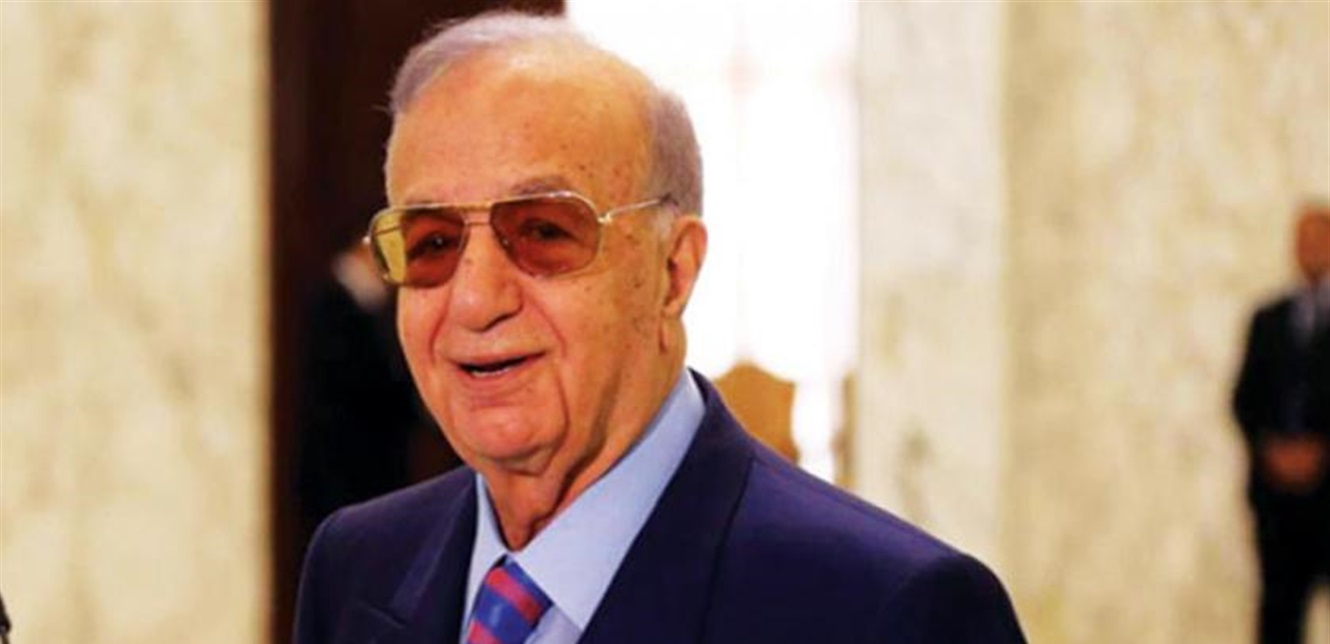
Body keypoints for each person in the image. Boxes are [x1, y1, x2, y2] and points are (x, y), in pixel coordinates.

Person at [295, 11, 1026, 643]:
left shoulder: (893, 612)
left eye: (545, 231)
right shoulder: (357, 567)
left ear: (674, 271)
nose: (475, 300)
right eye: (432, 242)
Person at [1233, 201, 1330, 644]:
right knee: (1278, 618)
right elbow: (1243, 400)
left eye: (1319, 239)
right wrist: (1272, 450)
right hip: (1277, 502)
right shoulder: (1268, 320)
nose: (1311, 249)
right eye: (1303, 240)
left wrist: (1319, 453)